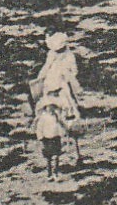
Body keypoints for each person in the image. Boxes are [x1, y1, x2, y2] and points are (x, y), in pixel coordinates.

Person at [30, 31, 81, 179]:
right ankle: (66, 150)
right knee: (56, 115)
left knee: (68, 114)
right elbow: (45, 70)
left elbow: (72, 72)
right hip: (52, 88)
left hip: (59, 89)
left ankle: (73, 151)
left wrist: (66, 75)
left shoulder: (67, 56)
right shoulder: (56, 55)